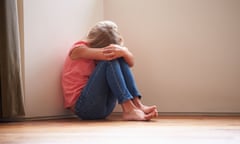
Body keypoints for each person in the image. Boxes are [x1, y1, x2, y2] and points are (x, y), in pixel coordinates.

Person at [62, 20, 158, 121]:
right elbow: (108, 55)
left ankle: (137, 104)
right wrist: (121, 51)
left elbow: (131, 63)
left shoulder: (100, 53)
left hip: (104, 107)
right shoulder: (78, 50)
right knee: (110, 59)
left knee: (120, 57)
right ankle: (129, 109)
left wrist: (124, 52)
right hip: (83, 107)